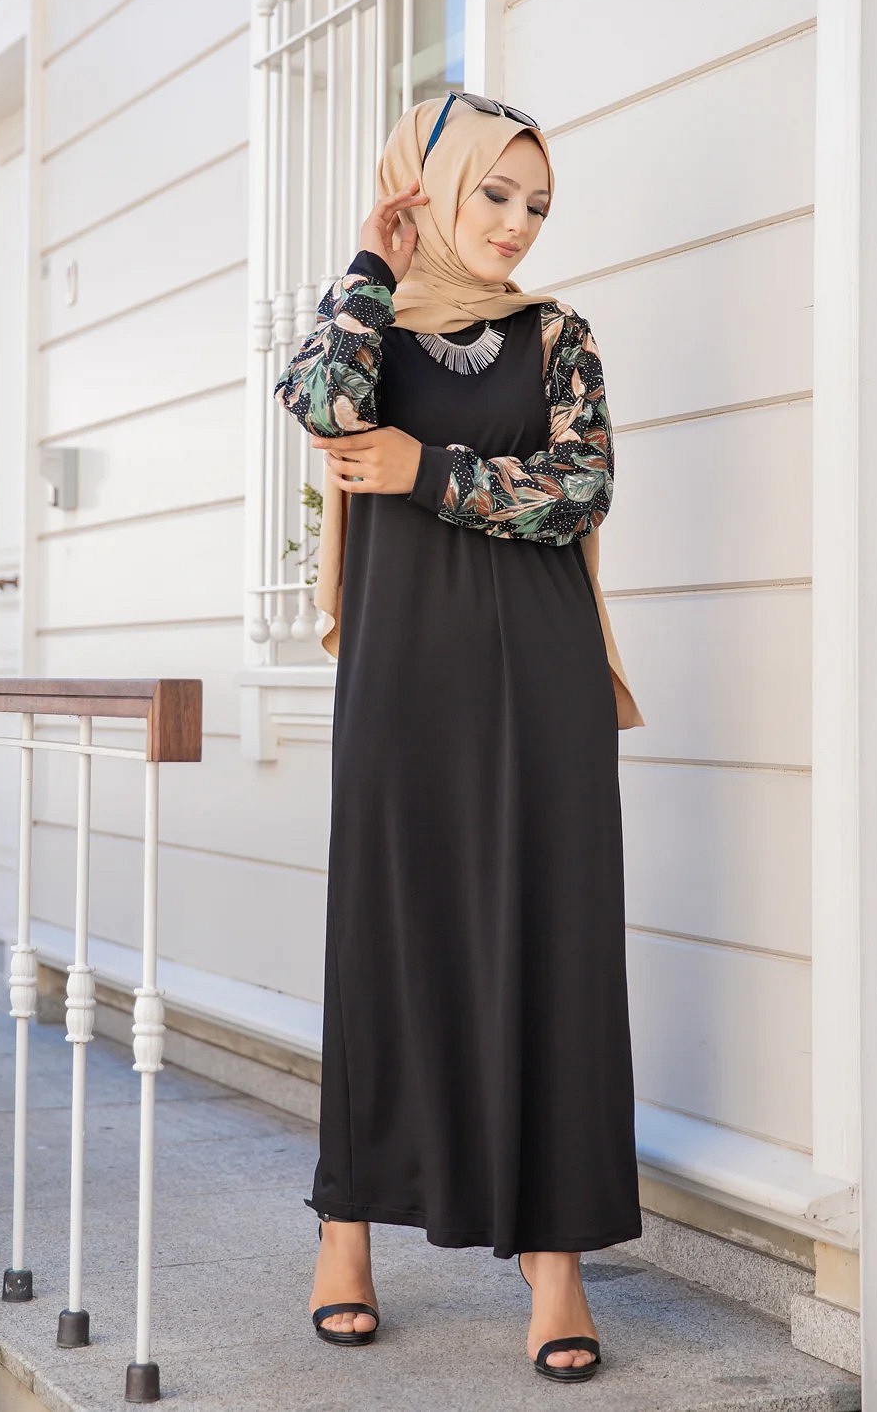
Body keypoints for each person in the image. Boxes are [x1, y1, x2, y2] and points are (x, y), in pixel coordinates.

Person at [274, 91, 645, 1384]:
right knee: (386, 934)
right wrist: (370, 264)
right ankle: (348, 1227)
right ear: (428, 187)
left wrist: (427, 471)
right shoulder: (368, 331)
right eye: (494, 193)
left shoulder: (559, 336)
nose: (517, 224)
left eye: (536, 204)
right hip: (403, 681)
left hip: (545, 686)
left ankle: (557, 1258)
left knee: (557, 944)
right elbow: (318, 406)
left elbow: (583, 485)